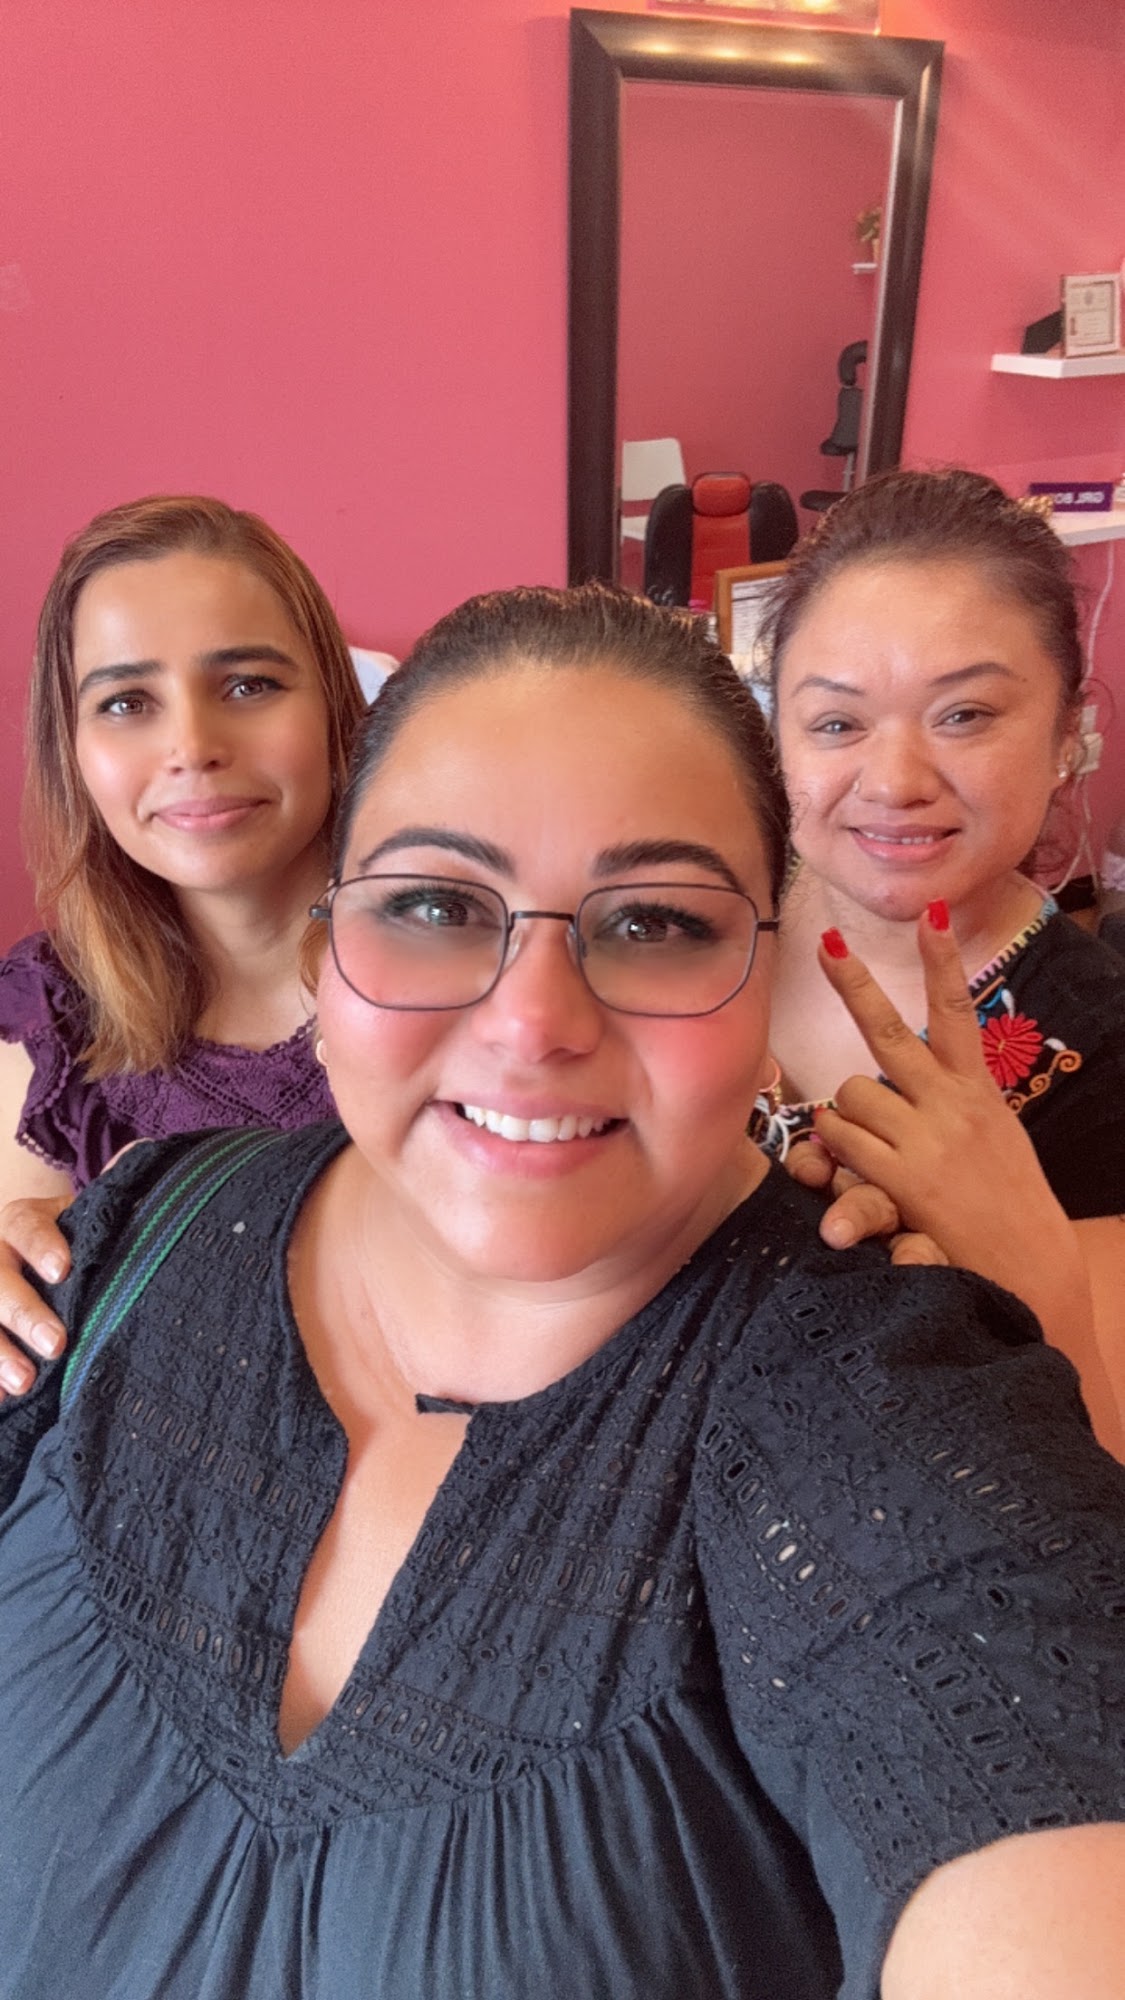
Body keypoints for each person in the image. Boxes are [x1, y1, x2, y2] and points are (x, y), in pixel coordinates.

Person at [0, 582, 1122, 2000]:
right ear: (327, 947)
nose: (531, 1023)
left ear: (769, 971)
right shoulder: (124, 1238)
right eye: (433, 906)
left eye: (652, 922)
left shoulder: (877, 1401)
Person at [759, 468, 1125, 1446]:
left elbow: (1100, 1458)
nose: (894, 781)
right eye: (836, 723)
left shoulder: (1102, 1056)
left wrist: (1024, 1263)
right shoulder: (694, 927)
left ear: (1065, 734)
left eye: (963, 714)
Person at [0, 495, 367, 1392]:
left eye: (248, 685)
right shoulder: (46, 1025)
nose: (192, 746)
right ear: (74, 752)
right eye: (126, 702)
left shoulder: (481, 963)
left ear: (333, 706)